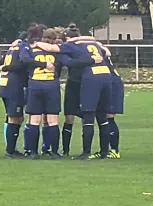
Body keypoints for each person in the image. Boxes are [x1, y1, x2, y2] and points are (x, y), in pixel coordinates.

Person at [22, 27, 102, 159]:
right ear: (54, 39)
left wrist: (41, 64)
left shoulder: (31, 48)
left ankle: (33, 152)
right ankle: (54, 152)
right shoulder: (57, 52)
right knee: (53, 120)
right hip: (52, 86)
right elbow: (70, 63)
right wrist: (91, 60)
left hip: (35, 85)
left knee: (35, 120)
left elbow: (25, 61)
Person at [0, 25, 48, 158]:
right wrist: (43, 64)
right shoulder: (24, 46)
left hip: (4, 83)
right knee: (14, 118)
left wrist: (8, 67)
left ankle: (12, 149)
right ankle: (10, 151)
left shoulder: (13, 46)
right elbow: (25, 61)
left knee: (15, 117)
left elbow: (1, 61)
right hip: (14, 86)